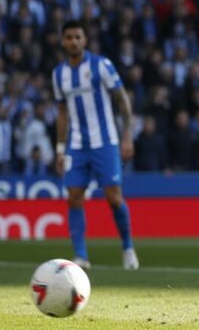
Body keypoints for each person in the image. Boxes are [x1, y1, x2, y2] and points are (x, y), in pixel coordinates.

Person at [52, 20, 138, 270]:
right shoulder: (59, 74)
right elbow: (61, 112)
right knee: (74, 197)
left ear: (85, 40)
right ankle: (80, 256)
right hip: (76, 145)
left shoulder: (101, 65)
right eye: (69, 37)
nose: (73, 41)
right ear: (62, 41)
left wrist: (127, 136)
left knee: (113, 197)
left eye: (78, 37)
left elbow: (122, 100)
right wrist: (59, 149)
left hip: (106, 142)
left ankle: (128, 248)